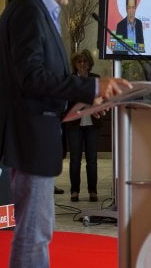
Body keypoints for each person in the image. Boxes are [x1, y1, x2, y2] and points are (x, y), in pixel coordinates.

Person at [0, 0, 131, 268]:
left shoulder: (34, 9)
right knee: (33, 233)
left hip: (35, 134)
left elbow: (42, 78)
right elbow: (32, 77)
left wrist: (84, 97)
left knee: (39, 231)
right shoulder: (27, 11)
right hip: (29, 136)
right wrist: (92, 84)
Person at [67, 50, 101, 202]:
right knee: (75, 159)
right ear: (75, 64)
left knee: (92, 159)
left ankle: (93, 191)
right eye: (79, 62)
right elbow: (67, 103)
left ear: (89, 64)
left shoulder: (96, 79)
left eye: (85, 62)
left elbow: (102, 100)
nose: (82, 64)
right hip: (75, 124)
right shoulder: (70, 80)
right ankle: (74, 191)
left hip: (92, 124)